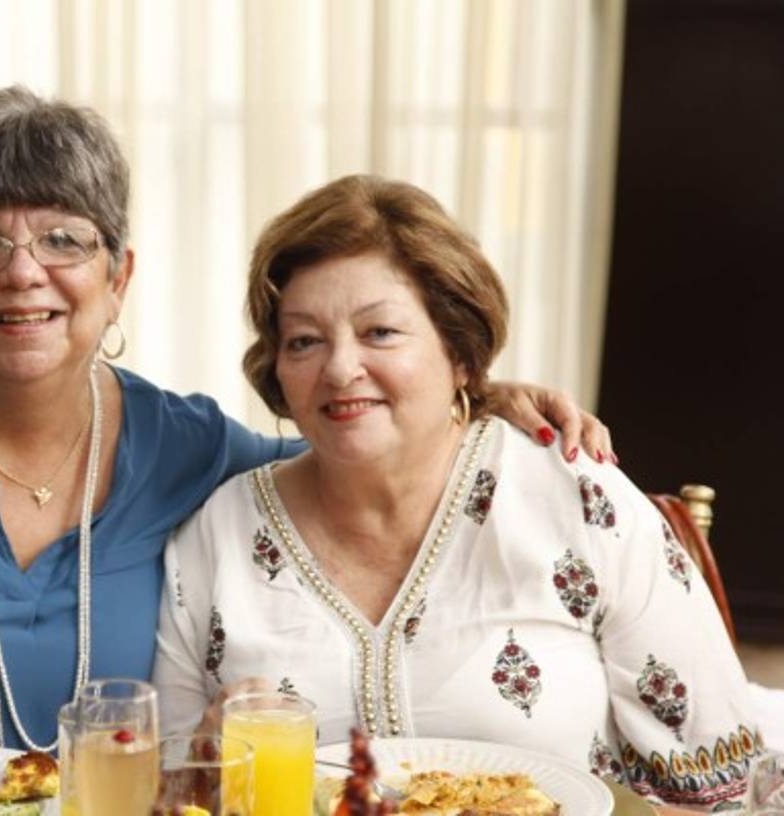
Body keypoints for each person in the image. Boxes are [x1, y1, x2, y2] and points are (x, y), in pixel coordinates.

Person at [0, 88, 610, 805]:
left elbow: (343, 441)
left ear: (119, 273)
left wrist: (466, 400)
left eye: (64, 238)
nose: (22, 274)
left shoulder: (191, 450)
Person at [152, 174, 762, 811]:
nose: (338, 369)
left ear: (461, 354)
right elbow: (162, 797)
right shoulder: (214, 538)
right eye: (304, 340)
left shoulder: (575, 497)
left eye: (380, 332)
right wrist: (203, 763)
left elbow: (715, 786)